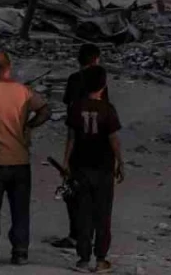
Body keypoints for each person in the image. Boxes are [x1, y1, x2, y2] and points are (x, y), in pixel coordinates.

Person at [0, 50, 51, 268]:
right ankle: (20, 253)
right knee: (20, 210)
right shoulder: (24, 91)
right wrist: (28, 125)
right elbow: (45, 111)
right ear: (9, 66)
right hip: (20, 160)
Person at [64, 65, 123, 273]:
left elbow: (71, 139)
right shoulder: (108, 109)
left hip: (80, 167)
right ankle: (100, 259)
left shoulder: (76, 107)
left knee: (83, 213)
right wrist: (120, 162)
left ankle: (83, 259)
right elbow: (113, 139)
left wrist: (65, 162)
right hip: (103, 168)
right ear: (104, 85)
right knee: (103, 215)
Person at [52, 45, 111, 252]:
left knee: (74, 191)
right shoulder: (100, 83)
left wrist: (65, 159)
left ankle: (76, 235)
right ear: (96, 59)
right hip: (98, 146)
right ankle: (91, 239)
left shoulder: (74, 80)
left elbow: (69, 113)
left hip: (78, 142)